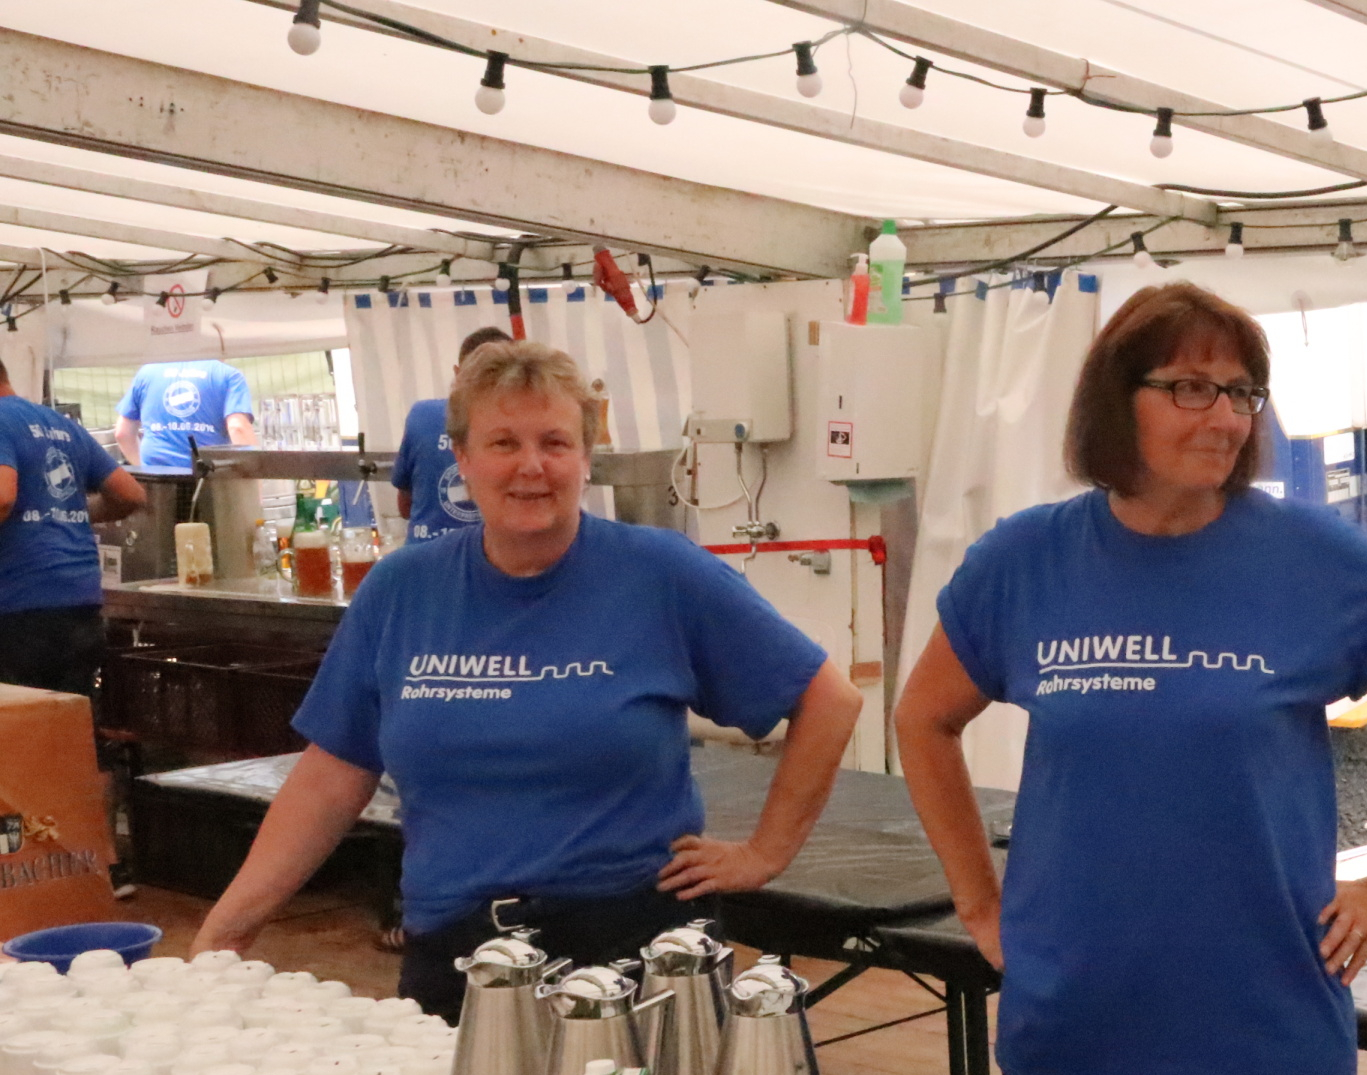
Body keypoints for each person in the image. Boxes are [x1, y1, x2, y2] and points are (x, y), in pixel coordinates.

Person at [897, 282, 1367, 1075]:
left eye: (1241, 392)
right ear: (1116, 400)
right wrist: (979, 902)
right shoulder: (1024, 561)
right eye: (1190, 387)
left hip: (1259, 1043)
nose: (1224, 417)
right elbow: (923, 719)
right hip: (1073, 1035)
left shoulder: (1315, 560)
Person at [190, 340, 864, 1018]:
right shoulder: (402, 590)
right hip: (457, 954)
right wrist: (227, 931)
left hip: (634, 950)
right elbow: (331, 777)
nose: (531, 466)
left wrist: (763, 854)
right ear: (462, 458)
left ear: (586, 456)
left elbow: (828, 700)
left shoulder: (661, 573)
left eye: (555, 442)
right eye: (504, 442)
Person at [0, 358, 148, 695]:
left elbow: (3, 498)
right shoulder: (58, 423)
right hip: (80, 603)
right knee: (69, 718)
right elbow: (130, 494)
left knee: (20, 721)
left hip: (19, 605)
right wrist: (59, 510)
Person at [392, 325, 510, 544]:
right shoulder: (521, 424)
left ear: (457, 373)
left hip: (425, 551)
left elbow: (405, 506)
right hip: (487, 554)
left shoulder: (422, 415)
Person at [114, 358, 256, 471]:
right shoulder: (227, 375)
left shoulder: (147, 373)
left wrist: (147, 470)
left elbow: (122, 434)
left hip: (158, 488)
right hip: (209, 482)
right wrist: (255, 486)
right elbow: (238, 428)